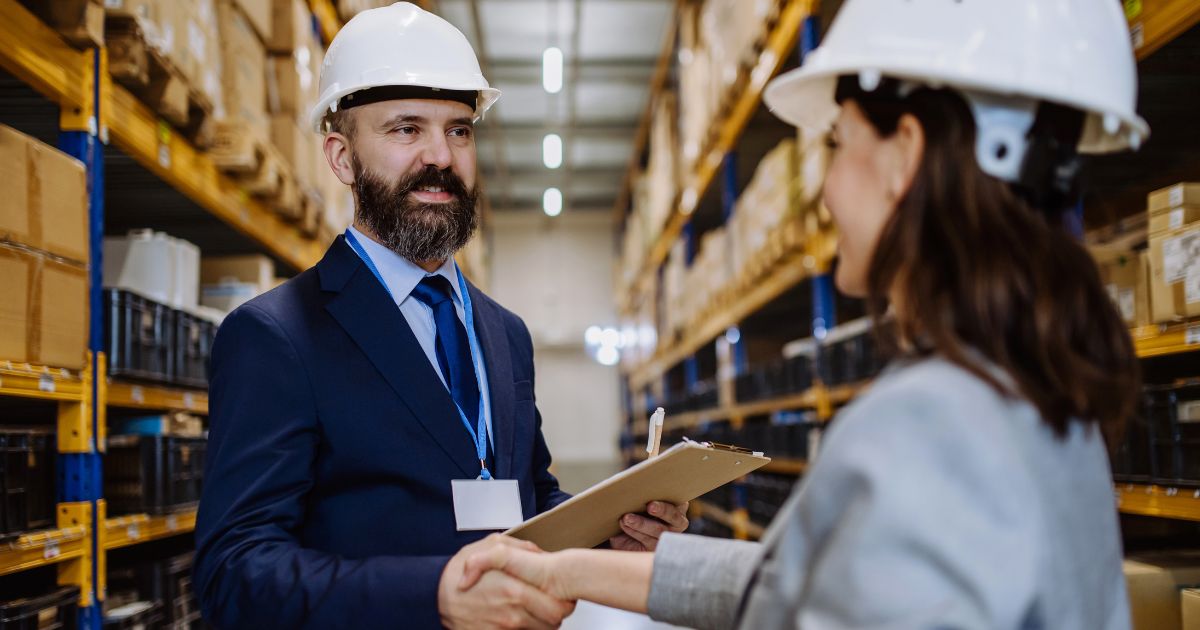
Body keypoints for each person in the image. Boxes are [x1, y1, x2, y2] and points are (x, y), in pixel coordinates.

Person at [458, 1, 1147, 628]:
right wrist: (571, 568)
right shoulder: (1039, 392)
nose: (824, 191)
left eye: (837, 145)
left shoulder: (930, 429)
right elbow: (807, 582)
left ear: (903, 155)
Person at [192, 4, 687, 629]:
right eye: (405, 129)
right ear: (341, 158)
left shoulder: (504, 332)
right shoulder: (278, 335)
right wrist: (434, 595)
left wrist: (611, 536)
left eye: (458, 130)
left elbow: (529, 500)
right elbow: (233, 573)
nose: (441, 157)